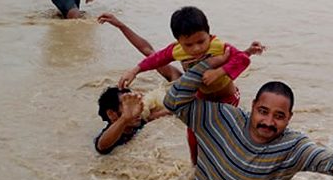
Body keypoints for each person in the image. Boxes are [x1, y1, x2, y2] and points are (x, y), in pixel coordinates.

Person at [158, 60, 333, 180]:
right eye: (263, 111)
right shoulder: (222, 118)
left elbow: (329, 160)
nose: (269, 122)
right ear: (252, 106)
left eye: (279, 116)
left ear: (289, 118)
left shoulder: (292, 147)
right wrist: (207, 65)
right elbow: (173, 101)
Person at [100, 11, 264, 164]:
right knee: (193, 132)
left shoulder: (216, 48)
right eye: (189, 45)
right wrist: (135, 71)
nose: (196, 49)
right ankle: (195, 166)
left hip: (225, 97)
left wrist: (222, 69)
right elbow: (155, 58)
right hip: (198, 97)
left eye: (201, 42)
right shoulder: (141, 118)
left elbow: (149, 53)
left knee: (220, 132)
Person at [95, 87, 170, 154]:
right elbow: (102, 146)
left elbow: (163, 113)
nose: (135, 108)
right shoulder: (108, 138)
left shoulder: (137, 122)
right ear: (111, 114)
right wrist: (125, 118)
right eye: (128, 105)